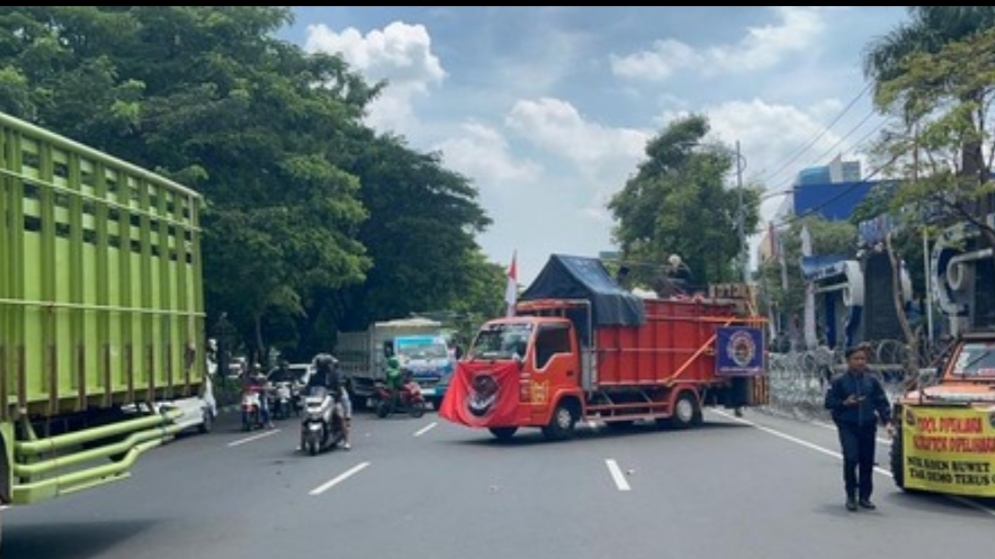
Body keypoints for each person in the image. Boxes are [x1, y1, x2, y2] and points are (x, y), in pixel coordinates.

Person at [824, 345, 894, 511]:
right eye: (856, 359)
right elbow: (829, 403)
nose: (860, 362)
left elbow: (881, 403)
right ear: (848, 361)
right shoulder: (839, 382)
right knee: (851, 458)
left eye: (862, 359)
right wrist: (844, 403)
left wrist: (888, 422)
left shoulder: (871, 381)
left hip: (868, 426)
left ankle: (865, 496)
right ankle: (850, 495)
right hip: (848, 425)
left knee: (866, 462)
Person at [309, 353, 351, 450]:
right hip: (318, 401)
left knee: (340, 416)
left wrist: (336, 395)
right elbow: (309, 388)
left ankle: (347, 441)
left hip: (332, 400)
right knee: (305, 419)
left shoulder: (334, 375)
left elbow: (339, 389)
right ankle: (302, 443)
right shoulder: (314, 376)